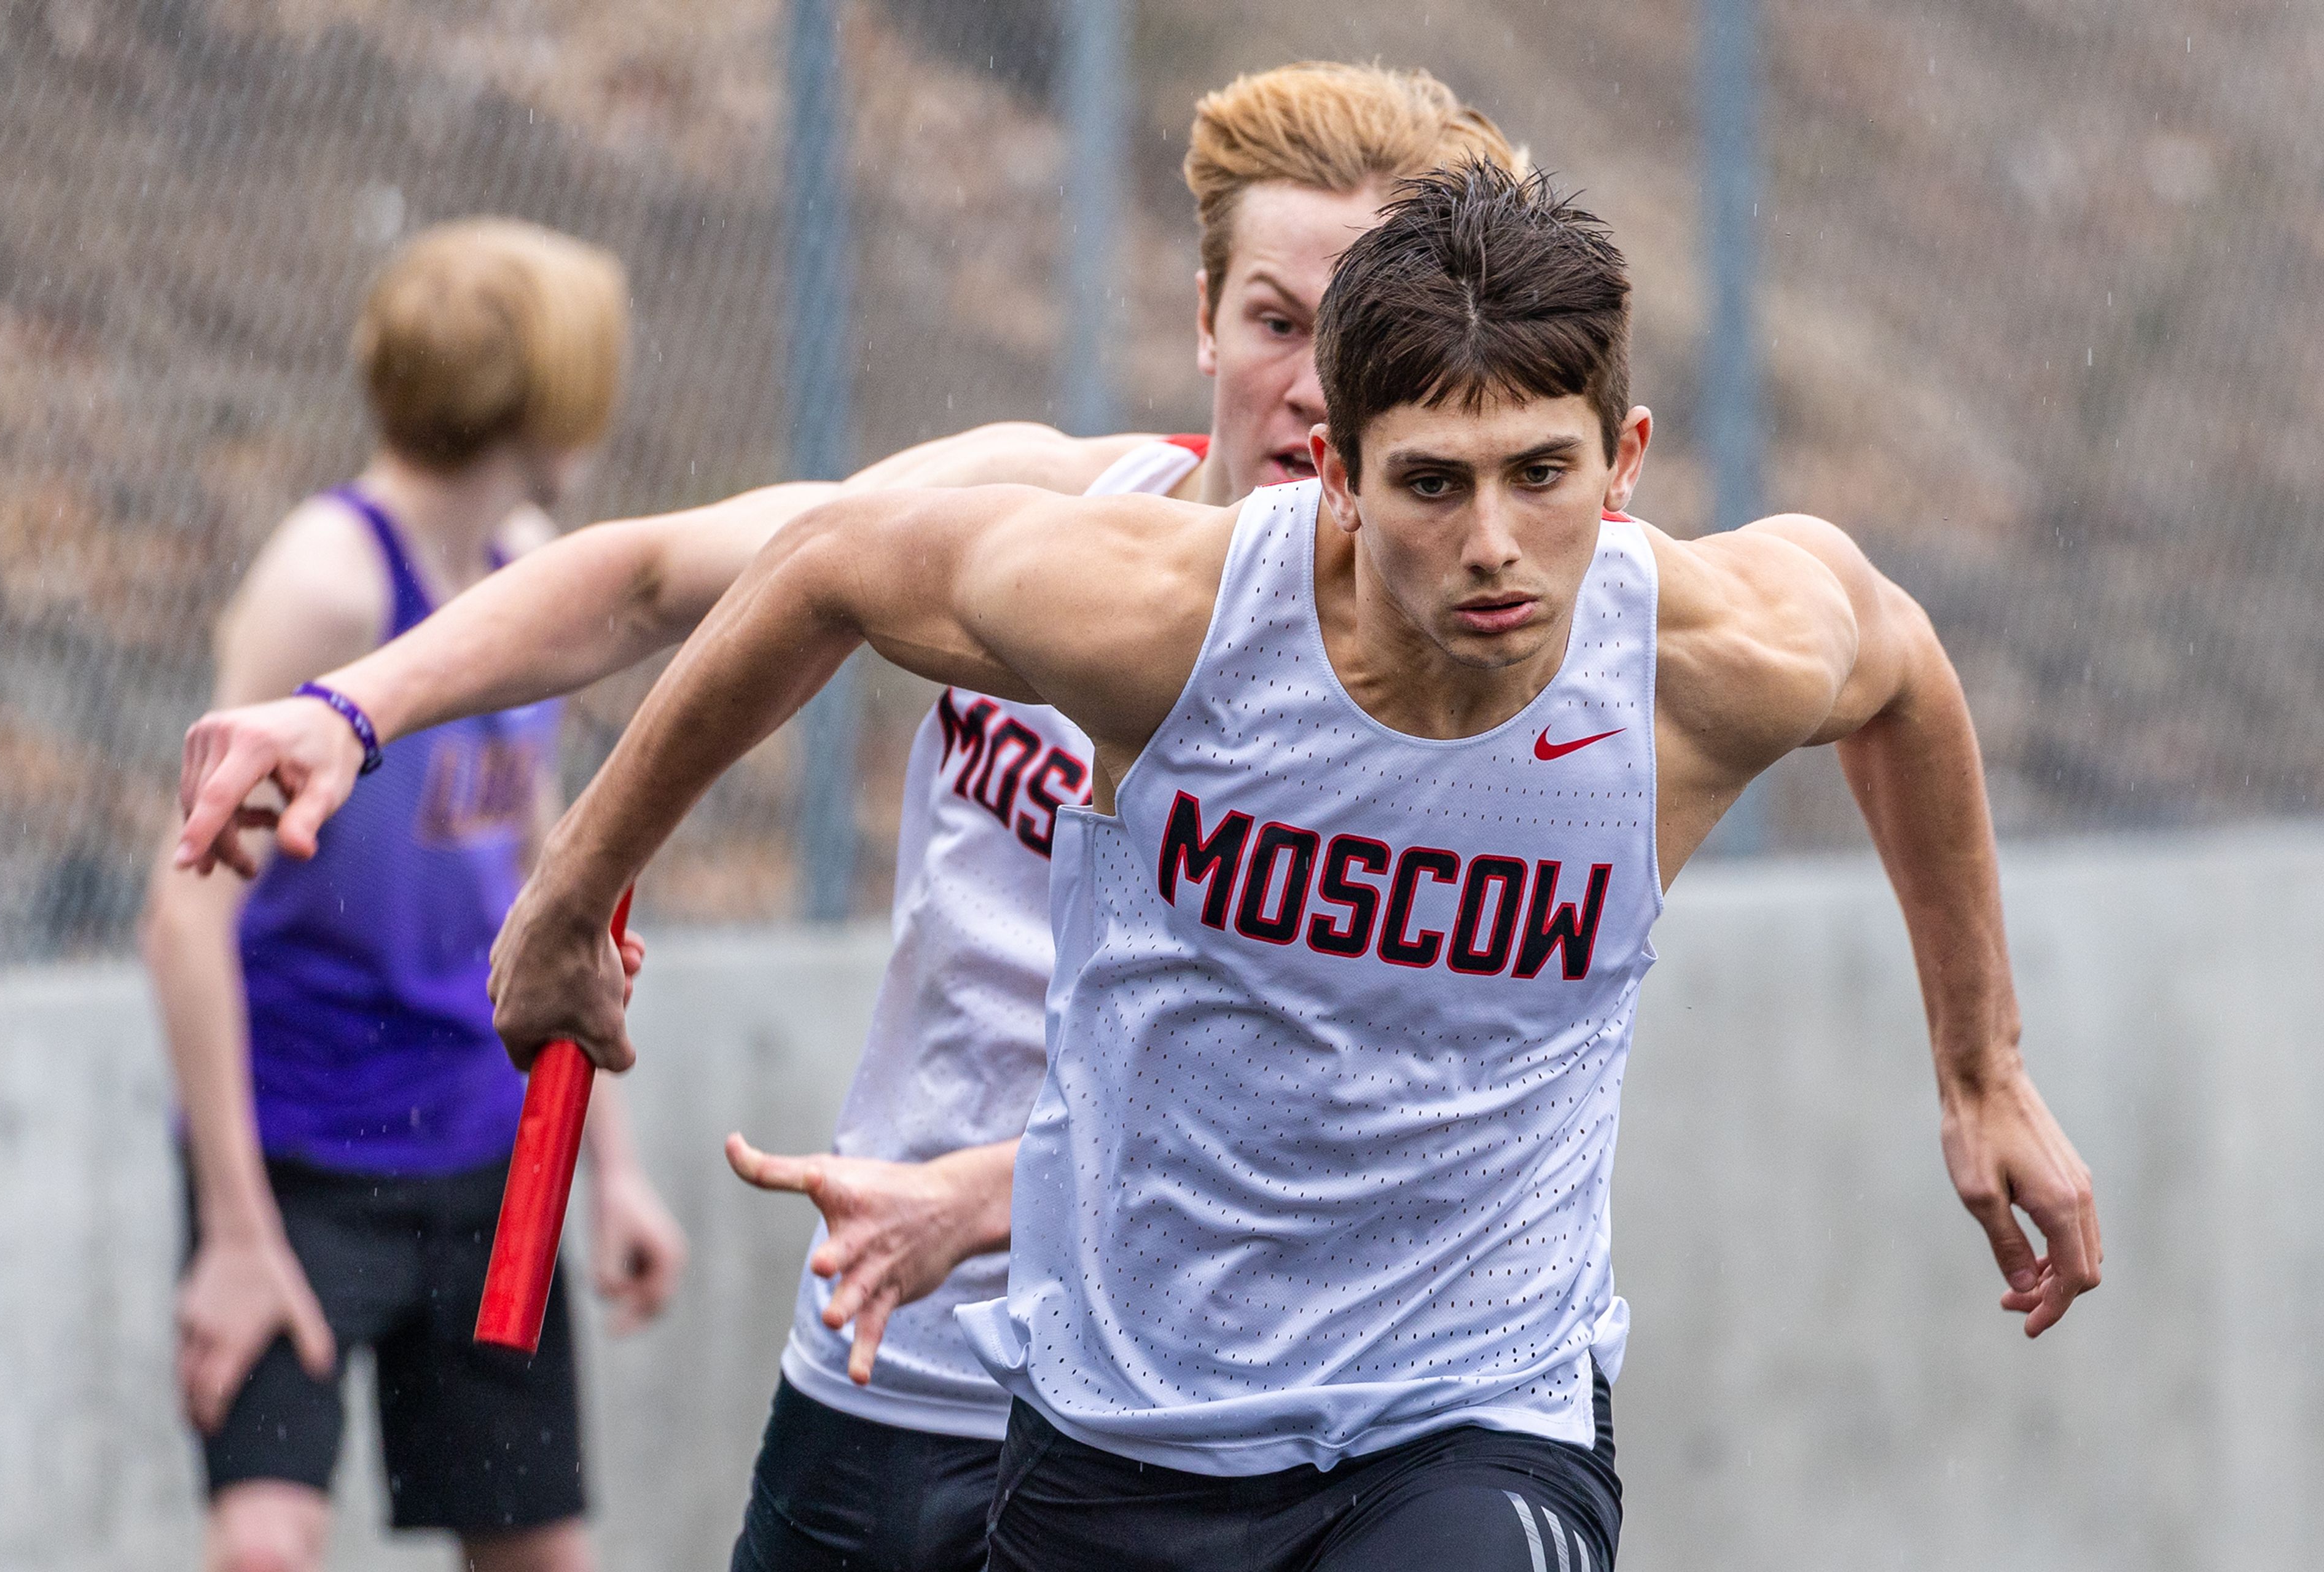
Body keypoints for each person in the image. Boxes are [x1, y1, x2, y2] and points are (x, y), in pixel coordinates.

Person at [483, 162, 2105, 1571]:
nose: (1491, 545)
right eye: (1429, 484)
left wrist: (1984, 1070)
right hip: (1133, 1424)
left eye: (1543, 475)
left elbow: (1902, 677)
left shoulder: (1706, 654)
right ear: (1335, 469)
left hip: (1472, 1412)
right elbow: (827, 568)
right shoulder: (1176, 620)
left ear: (1624, 464)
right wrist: (567, 899)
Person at [171, 64, 1529, 1572]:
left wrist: (989, 1193)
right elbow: (659, 576)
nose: (1313, 385)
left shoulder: (1458, 690)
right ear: (1204, 315)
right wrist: (348, 710)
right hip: (894, 1365)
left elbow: (1335, 1124)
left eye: (1361, 339)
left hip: (1194, 1431)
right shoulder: (1032, 524)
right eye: (1277, 320)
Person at [143, 217, 686, 1572]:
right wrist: (230, 1231)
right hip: (305, 1150)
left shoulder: (524, 560)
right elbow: (184, 913)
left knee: (536, 1545)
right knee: (265, 1541)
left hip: (481, 1139)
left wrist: (611, 1170)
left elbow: (551, 876)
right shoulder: (328, 586)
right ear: (540, 395)